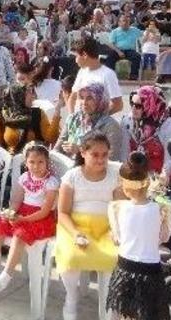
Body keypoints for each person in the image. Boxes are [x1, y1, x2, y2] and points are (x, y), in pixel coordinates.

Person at [0, 143, 59, 298]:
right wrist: (12, 213)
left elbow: (45, 210)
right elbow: (15, 200)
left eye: (40, 162)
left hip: (40, 218)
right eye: (32, 162)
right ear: (26, 163)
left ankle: (5, 277)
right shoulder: (24, 178)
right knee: (0, 225)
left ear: (47, 162)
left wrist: (23, 219)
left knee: (20, 234)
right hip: (22, 212)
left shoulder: (51, 182)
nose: (36, 166)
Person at [55, 133, 121, 320]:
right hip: (75, 226)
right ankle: (71, 297)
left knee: (115, 258)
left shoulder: (116, 174)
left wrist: (116, 231)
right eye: (95, 155)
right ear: (83, 153)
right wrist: (76, 234)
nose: (101, 159)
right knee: (71, 257)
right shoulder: (72, 176)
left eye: (105, 155)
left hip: (107, 228)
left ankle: (109, 308)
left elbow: (119, 207)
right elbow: (63, 213)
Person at [106, 151, 171, 320]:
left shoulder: (116, 208)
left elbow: (117, 240)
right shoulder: (163, 210)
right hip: (150, 271)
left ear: (124, 185)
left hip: (124, 268)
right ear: (147, 181)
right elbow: (164, 238)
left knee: (120, 313)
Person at [119, 86, 171, 180]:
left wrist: (162, 179)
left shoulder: (169, 125)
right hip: (135, 175)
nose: (133, 109)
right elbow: (124, 154)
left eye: (139, 106)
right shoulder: (127, 121)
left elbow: (169, 159)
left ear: (151, 106)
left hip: (161, 176)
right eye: (132, 104)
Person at [57, 82, 123, 163]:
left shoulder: (110, 126)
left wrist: (80, 150)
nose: (84, 102)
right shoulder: (73, 119)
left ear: (100, 100)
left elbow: (111, 160)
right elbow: (58, 148)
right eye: (81, 97)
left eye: (89, 98)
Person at [0, 84, 60, 154]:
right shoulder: (2, 117)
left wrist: (57, 111)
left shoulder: (37, 114)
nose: (33, 96)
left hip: (34, 159)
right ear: (19, 96)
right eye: (29, 93)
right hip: (11, 159)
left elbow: (51, 138)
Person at [69, 36, 123, 114]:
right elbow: (72, 98)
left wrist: (97, 119)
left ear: (84, 55)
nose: (75, 60)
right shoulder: (82, 71)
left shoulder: (108, 74)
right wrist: (72, 119)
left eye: (76, 56)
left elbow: (118, 105)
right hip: (79, 123)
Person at [109, 15, 143, 81]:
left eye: (127, 21)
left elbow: (144, 34)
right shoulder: (114, 31)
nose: (125, 23)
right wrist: (118, 51)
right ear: (119, 23)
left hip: (130, 51)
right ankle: (110, 77)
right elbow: (111, 44)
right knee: (110, 57)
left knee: (137, 56)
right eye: (124, 21)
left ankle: (133, 76)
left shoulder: (134, 30)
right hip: (118, 50)